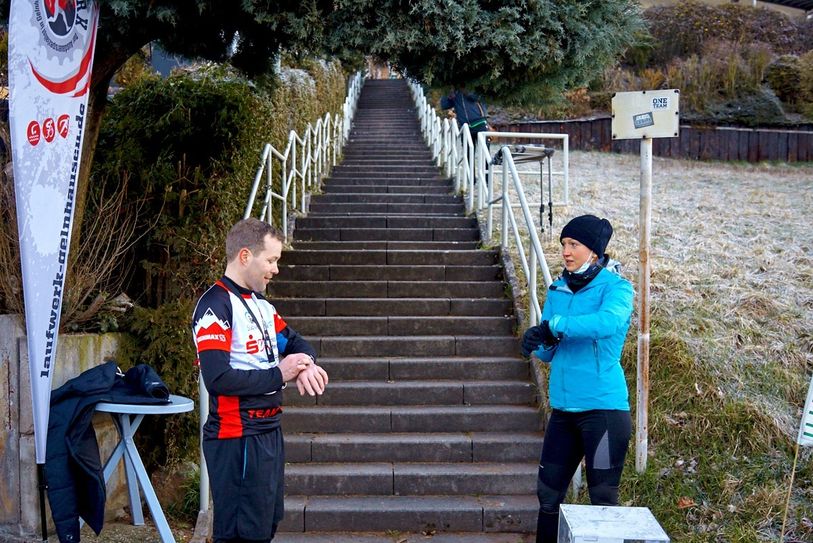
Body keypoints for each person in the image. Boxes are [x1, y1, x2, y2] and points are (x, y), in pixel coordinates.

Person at [192, 218, 328, 543]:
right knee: (240, 534)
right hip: (236, 437)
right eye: (271, 260)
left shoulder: (262, 306)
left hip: (269, 433)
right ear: (244, 256)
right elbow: (218, 378)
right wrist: (282, 373)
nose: (275, 269)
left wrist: (305, 365)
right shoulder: (215, 305)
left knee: (266, 527)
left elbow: (298, 344)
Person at [520, 214, 634, 543]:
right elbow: (551, 350)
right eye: (563, 245)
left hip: (604, 413)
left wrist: (554, 325)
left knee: (602, 500)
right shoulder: (558, 288)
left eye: (574, 245)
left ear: (594, 252)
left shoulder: (617, 288)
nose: (566, 251)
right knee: (548, 496)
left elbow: (606, 323)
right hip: (564, 412)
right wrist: (536, 344)